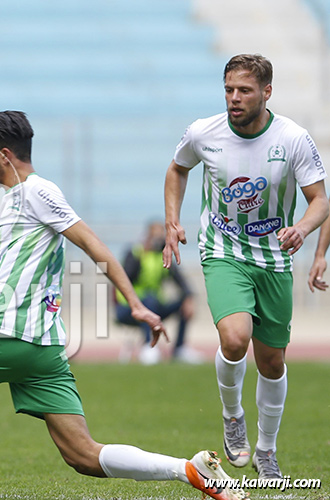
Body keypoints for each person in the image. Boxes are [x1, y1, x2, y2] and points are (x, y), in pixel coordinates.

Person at [0, 111, 247, 500]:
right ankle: (191, 471)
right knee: (83, 455)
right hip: (41, 347)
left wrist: (136, 304)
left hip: (2, 329)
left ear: (4, 154)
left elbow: (94, 245)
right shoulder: (8, 205)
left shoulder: (38, 192)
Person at [163, 54, 328, 480]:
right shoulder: (204, 132)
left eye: (245, 91)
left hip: (273, 259)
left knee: (272, 362)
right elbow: (177, 169)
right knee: (235, 339)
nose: (234, 99)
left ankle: (267, 451)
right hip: (224, 251)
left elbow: (320, 200)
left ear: (266, 92)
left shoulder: (292, 138)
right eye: (229, 90)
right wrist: (172, 220)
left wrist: (304, 229)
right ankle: (232, 415)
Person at [115, 221, 199, 365]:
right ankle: (149, 346)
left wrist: (189, 297)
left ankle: (180, 348)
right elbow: (125, 279)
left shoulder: (163, 256)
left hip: (154, 307)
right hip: (128, 308)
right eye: (155, 237)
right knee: (148, 299)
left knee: (181, 301)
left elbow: (181, 281)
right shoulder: (135, 253)